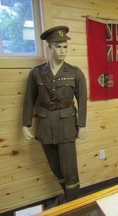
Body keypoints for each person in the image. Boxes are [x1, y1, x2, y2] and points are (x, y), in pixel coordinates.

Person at [22, 26, 87, 205]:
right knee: (56, 168)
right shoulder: (36, 73)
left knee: (69, 170)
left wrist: (82, 125)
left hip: (67, 127)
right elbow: (29, 100)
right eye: (58, 47)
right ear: (50, 46)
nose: (62, 51)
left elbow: (82, 100)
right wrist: (25, 124)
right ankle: (68, 199)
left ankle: (72, 205)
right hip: (44, 127)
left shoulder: (75, 73)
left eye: (65, 47)